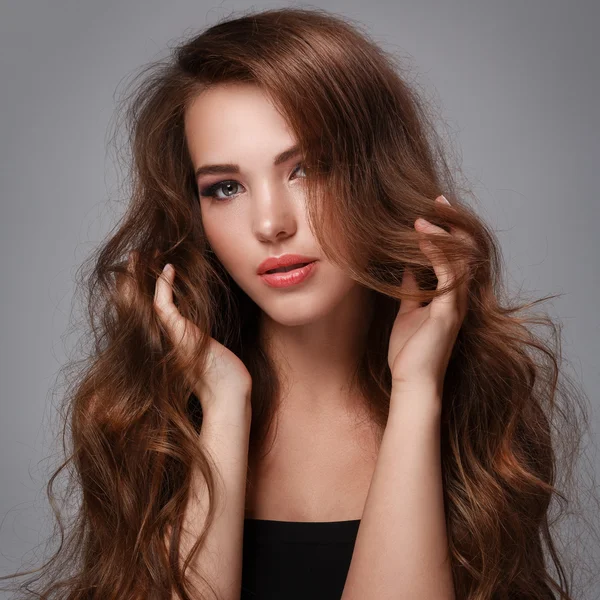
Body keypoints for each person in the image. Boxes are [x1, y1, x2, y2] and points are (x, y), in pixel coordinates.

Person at [1, 6, 597, 600]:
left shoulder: (479, 400)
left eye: (305, 169)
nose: (269, 224)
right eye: (225, 188)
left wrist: (417, 390)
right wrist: (224, 407)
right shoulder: (149, 417)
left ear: (377, 173)